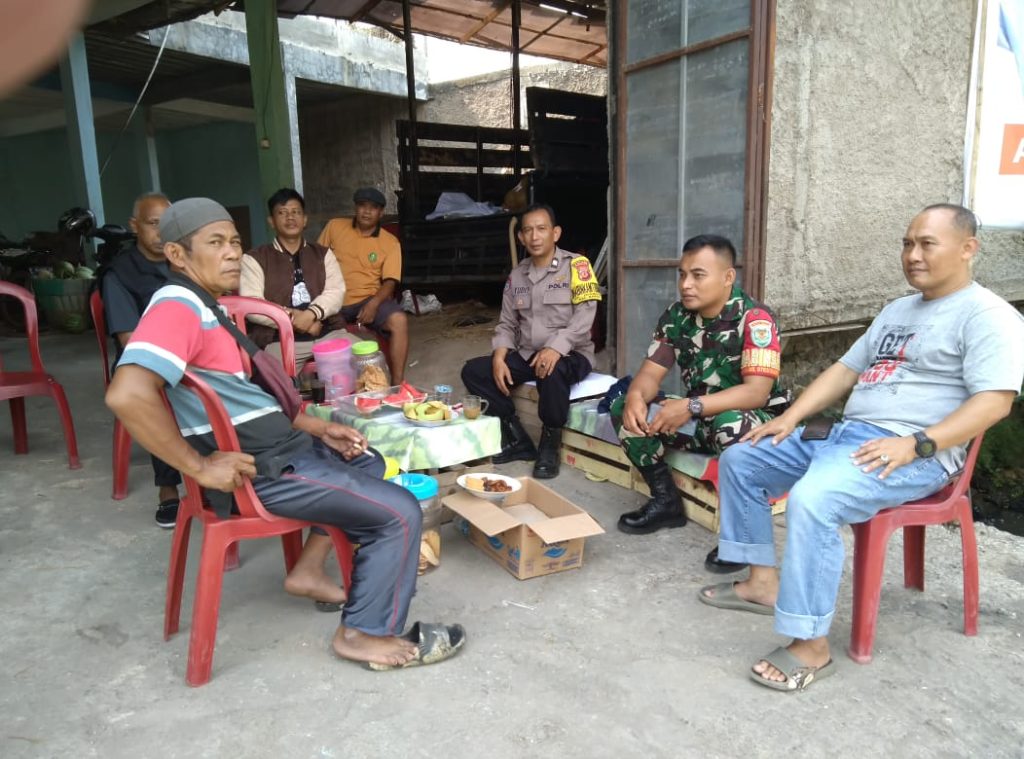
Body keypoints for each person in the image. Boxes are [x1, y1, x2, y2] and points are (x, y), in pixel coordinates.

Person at [105, 197, 466, 670]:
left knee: (368, 458)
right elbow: (126, 394)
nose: (232, 252)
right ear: (177, 254)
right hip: (264, 469)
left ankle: (308, 568)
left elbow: (243, 397)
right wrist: (197, 466)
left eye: (234, 241)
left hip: (282, 446)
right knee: (398, 513)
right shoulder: (176, 305)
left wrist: (316, 426)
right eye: (215, 243)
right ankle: (363, 635)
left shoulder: (202, 304)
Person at [698, 204, 1024, 692]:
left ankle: (811, 645)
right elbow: (844, 371)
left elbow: (995, 402)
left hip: (915, 451)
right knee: (742, 457)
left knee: (814, 499)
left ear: (968, 248)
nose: (912, 255)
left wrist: (916, 444)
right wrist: (788, 419)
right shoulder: (898, 310)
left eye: (926, 244)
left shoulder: (989, 316)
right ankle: (762, 584)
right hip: (847, 437)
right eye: (907, 243)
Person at [610, 235, 790, 557]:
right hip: (696, 419)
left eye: (697, 275)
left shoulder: (755, 320)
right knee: (624, 407)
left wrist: (690, 406)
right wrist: (637, 396)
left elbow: (757, 393)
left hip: (751, 423)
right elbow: (651, 373)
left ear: (727, 277)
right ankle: (666, 501)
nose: (686, 284)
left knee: (729, 424)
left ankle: (743, 535)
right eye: (682, 274)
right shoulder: (676, 317)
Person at [461, 203, 600, 479]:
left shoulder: (578, 266)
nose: (535, 237)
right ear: (521, 238)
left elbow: (586, 316)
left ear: (555, 233)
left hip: (573, 354)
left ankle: (550, 442)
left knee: (551, 368)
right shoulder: (517, 275)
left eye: (542, 229)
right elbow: (507, 323)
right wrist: (500, 355)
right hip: (528, 354)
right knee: (475, 371)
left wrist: (555, 348)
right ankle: (516, 437)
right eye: (528, 231)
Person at [99, 192, 182, 528]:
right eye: (152, 224)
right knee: (157, 397)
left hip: (190, 352)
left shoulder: (184, 261)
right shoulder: (119, 273)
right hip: (145, 359)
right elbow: (129, 340)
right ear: (135, 227)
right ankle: (168, 487)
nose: (161, 233)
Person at [240, 188, 351, 367]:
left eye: (296, 212)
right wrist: (295, 320)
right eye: (282, 213)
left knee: (368, 364)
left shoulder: (322, 254)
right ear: (271, 221)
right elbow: (252, 305)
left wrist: (311, 314)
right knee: (275, 384)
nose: (290, 217)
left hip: (327, 332)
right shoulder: (255, 258)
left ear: (305, 219)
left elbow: (336, 291)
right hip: (278, 339)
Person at [317, 187, 408, 383]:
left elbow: (390, 281)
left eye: (373, 208)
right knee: (316, 328)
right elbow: (315, 260)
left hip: (368, 298)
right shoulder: (334, 227)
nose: (367, 212)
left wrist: (374, 303)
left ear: (381, 213)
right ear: (355, 208)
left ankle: (398, 385)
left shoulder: (390, 242)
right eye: (362, 206)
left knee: (399, 320)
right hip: (333, 298)